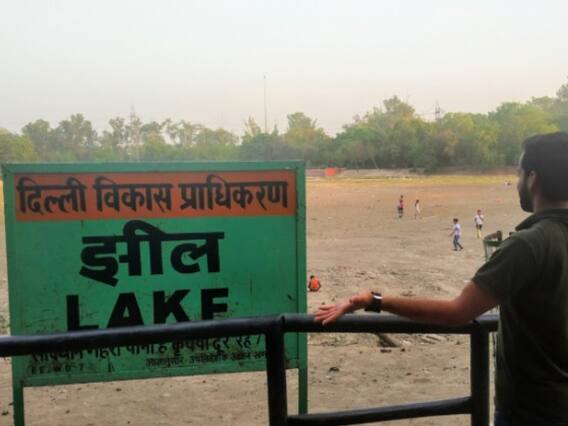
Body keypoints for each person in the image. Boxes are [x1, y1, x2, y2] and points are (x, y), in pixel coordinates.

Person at [315, 132, 568, 425]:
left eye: (519, 174)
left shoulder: (528, 245)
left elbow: (456, 312)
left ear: (533, 179)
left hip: (533, 411)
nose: (518, 182)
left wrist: (374, 300)